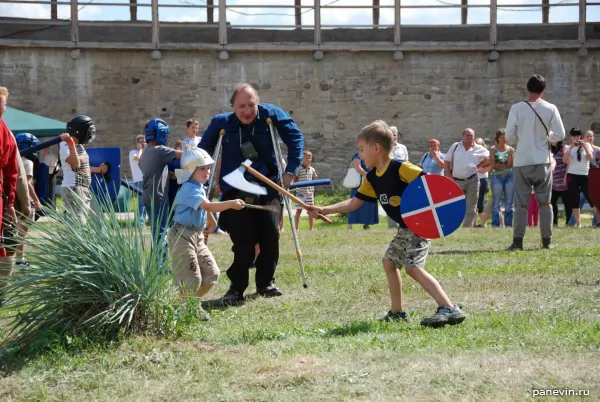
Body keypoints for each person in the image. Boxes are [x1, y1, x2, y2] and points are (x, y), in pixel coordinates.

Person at [309, 120, 466, 328]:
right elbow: (355, 203)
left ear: (376, 148)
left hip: (419, 226)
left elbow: (432, 188)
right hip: (404, 228)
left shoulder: (401, 168)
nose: (360, 155)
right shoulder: (372, 178)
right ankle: (397, 312)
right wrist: (325, 209)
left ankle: (448, 307)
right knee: (389, 263)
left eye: (361, 150)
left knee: (412, 268)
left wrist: (432, 216)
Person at [199, 83, 303, 305]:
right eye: (241, 106)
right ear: (233, 107)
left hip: (269, 186)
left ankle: (266, 283)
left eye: (251, 105)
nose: (246, 111)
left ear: (259, 103)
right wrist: (200, 177)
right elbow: (203, 151)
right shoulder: (222, 123)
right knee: (244, 243)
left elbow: (295, 138)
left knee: (269, 238)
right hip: (236, 191)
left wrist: (290, 171)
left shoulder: (271, 115)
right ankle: (236, 289)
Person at [168, 147, 245, 320]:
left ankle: (190, 305)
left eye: (208, 168)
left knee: (212, 274)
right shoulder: (188, 188)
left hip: (197, 236)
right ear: (190, 170)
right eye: (201, 168)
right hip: (182, 236)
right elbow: (207, 205)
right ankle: (186, 308)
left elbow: (204, 204)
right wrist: (230, 203)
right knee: (192, 279)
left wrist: (211, 220)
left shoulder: (199, 187)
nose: (207, 171)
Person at [505, 74, 565, 250]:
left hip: (522, 159)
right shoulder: (551, 108)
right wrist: (547, 137)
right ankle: (546, 242)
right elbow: (560, 135)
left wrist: (522, 140)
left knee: (521, 204)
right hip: (542, 160)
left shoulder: (517, 108)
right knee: (545, 203)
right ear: (544, 90)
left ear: (527, 88)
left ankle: (518, 242)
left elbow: (509, 136)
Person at [139, 118, 183, 262]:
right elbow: (182, 154)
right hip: (158, 197)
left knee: (156, 232)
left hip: (147, 196)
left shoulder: (146, 151)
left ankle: (156, 264)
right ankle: (161, 266)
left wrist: (167, 174)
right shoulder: (160, 150)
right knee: (161, 233)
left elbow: (154, 169)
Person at [58, 115, 108, 222]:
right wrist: (70, 143)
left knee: (92, 221)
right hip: (73, 188)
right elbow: (75, 164)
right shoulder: (65, 145)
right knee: (78, 224)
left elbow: (83, 167)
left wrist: (98, 169)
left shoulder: (79, 146)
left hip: (82, 188)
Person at [444, 129, 490, 228]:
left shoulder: (479, 148)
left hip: (472, 180)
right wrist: (448, 175)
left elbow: (490, 158)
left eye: (471, 136)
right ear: (463, 136)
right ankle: (451, 224)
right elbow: (447, 160)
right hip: (456, 180)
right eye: (467, 135)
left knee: (472, 205)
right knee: (452, 203)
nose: (469, 137)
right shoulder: (455, 146)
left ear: (474, 136)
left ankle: (467, 226)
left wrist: (481, 164)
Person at [0, 86, 19, 296]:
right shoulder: (5, 131)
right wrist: (10, 203)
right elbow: (11, 172)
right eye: (5, 102)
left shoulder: (5, 131)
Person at [14, 133, 42, 266]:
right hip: (23, 200)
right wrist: (36, 200)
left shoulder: (15, 159)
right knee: (21, 232)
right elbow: (27, 183)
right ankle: (19, 260)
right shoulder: (28, 162)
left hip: (13, 198)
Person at [563, 127, 596, 228]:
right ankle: (578, 223)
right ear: (571, 138)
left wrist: (584, 147)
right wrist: (572, 147)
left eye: (578, 136)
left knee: (592, 198)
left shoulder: (587, 146)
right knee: (574, 200)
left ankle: (597, 221)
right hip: (572, 175)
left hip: (584, 175)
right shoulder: (569, 147)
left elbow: (590, 158)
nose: (577, 138)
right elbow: (564, 160)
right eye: (574, 136)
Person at [488, 129, 515, 228]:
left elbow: (511, 164)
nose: (504, 139)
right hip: (496, 176)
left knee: (509, 202)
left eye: (505, 137)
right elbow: (492, 164)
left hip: (509, 176)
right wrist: (504, 165)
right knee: (496, 201)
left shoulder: (511, 150)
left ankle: (508, 225)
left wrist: (500, 165)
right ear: (498, 138)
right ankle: (495, 224)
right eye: (502, 137)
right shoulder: (492, 149)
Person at [348, 152, 379, 230]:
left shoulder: (372, 154)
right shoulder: (357, 155)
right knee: (355, 202)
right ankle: (350, 224)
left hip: (370, 182)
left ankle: (366, 223)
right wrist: (367, 176)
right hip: (359, 183)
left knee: (368, 202)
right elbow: (357, 167)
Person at [294, 150, 317, 231]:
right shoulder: (298, 169)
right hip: (300, 193)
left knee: (311, 211)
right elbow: (295, 179)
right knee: (298, 210)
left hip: (309, 193)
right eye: (306, 158)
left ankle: (311, 228)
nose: (308, 160)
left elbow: (314, 178)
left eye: (310, 158)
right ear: (302, 159)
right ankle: (296, 228)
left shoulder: (312, 169)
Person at [550, 140, 570, 227]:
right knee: (551, 203)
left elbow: (569, 163)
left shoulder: (564, 148)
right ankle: (554, 223)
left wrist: (566, 177)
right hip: (552, 182)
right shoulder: (548, 149)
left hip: (563, 182)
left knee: (567, 203)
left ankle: (568, 223)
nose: (552, 140)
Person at [129, 134, 147, 226]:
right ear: (136, 143)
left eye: (144, 142)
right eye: (140, 142)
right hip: (139, 180)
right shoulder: (133, 152)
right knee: (141, 202)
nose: (143, 144)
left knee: (145, 202)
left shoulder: (146, 153)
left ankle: (142, 221)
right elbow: (138, 158)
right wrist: (141, 149)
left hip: (147, 179)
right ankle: (139, 223)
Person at [474, 138, 491, 227]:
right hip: (473, 180)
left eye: (480, 144)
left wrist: (480, 168)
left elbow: (488, 167)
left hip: (482, 180)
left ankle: (483, 224)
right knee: (474, 202)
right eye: (476, 144)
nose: (478, 146)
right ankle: (474, 223)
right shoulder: (472, 154)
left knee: (480, 202)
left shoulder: (486, 155)